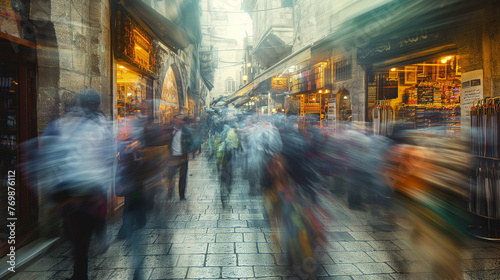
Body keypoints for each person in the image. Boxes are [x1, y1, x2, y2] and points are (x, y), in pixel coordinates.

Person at [39, 89, 114, 280]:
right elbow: (110, 158)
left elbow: (46, 148)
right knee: (81, 236)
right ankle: (100, 229)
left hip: (71, 190)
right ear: (98, 105)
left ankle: (80, 272)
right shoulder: (102, 126)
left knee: (77, 236)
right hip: (91, 190)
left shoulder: (66, 124)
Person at [165, 114, 194, 200]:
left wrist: (189, 151)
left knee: (183, 176)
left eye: (181, 119)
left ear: (183, 121)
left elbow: (191, 142)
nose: (179, 121)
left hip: (183, 156)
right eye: (177, 119)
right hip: (172, 157)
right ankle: (170, 193)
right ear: (174, 120)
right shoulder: (170, 130)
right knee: (170, 176)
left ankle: (182, 195)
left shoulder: (186, 131)